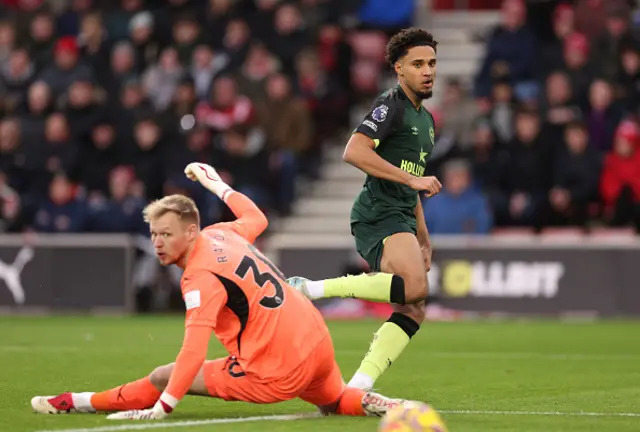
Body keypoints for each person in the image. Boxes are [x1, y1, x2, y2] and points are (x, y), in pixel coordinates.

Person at [30, 163, 408, 420]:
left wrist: (164, 407)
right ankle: (382, 404)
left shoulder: (199, 276)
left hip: (276, 367)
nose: (158, 243)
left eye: (166, 234)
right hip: (315, 341)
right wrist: (217, 185)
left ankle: (76, 402)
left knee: (164, 375)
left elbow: (193, 352)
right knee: (334, 403)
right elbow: (258, 219)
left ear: (190, 232)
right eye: (154, 235)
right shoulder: (219, 233)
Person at [287, 28, 442, 391]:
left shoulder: (427, 122)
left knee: (414, 306)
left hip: (401, 214)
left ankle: (357, 387)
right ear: (399, 69)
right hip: (377, 212)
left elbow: (414, 181)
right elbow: (353, 151)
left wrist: (425, 237)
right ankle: (312, 289)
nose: (428, 71)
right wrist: (410, 181)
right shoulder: (391, 105)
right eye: (418, 64)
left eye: (432, 63)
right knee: (416, 287)